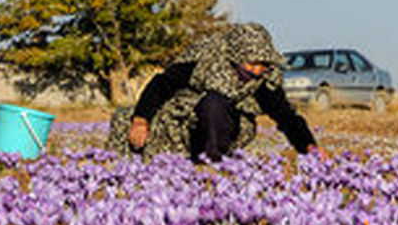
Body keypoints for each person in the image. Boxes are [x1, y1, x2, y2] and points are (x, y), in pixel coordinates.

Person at [106, 22, 325, 161]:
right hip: (184, 120)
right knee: (125, 119)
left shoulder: (264, 80)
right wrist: (141, 120)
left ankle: (214, 160)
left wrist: (310, 148)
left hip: (229, 127)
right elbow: (161, 84)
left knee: (214, 104)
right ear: (236, 56)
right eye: (252, 63)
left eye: (263, 64)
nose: (258, 70)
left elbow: (286, 117)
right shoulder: (204, 60)